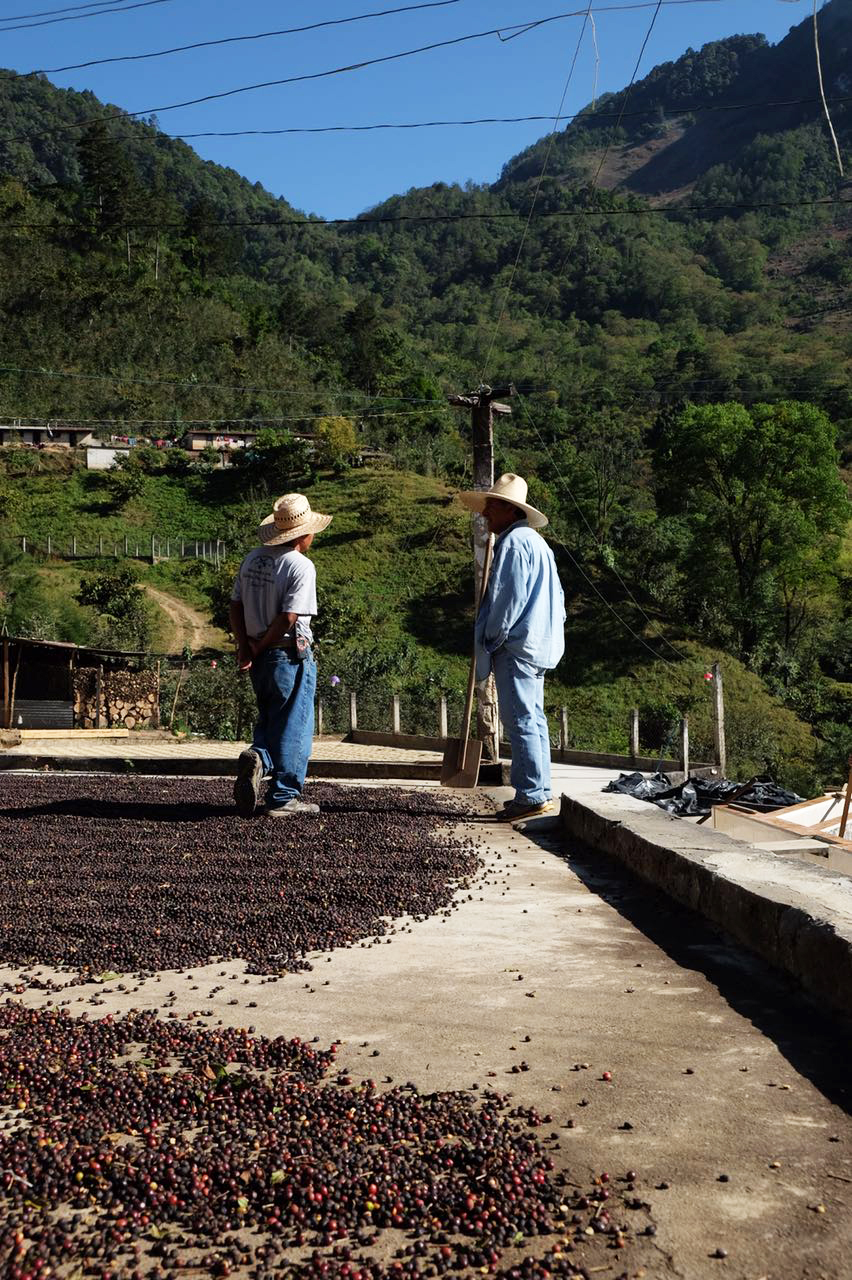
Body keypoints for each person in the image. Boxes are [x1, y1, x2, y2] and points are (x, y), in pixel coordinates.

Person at [458, 473, 566, 822]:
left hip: (518, 647)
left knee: (520, 719)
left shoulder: (515, 544)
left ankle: (532, 795)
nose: (485, 513)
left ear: (508, 509)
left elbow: (507, 601)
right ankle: (537, 791)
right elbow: (559, 602)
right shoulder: (538, 544)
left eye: (491, 506)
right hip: (538, 644)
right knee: (533, 719)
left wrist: (491, 639)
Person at [229, 493, 332, 817]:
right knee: (294, 724)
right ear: (303, 534)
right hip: (288, 655)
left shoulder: (253, 559)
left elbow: (235, 605)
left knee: (270, 718)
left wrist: (246, 647)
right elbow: (289, 617)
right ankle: (283, 797)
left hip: (260, 656)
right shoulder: (300, 565)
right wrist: (259, 647)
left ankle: (259, 757)